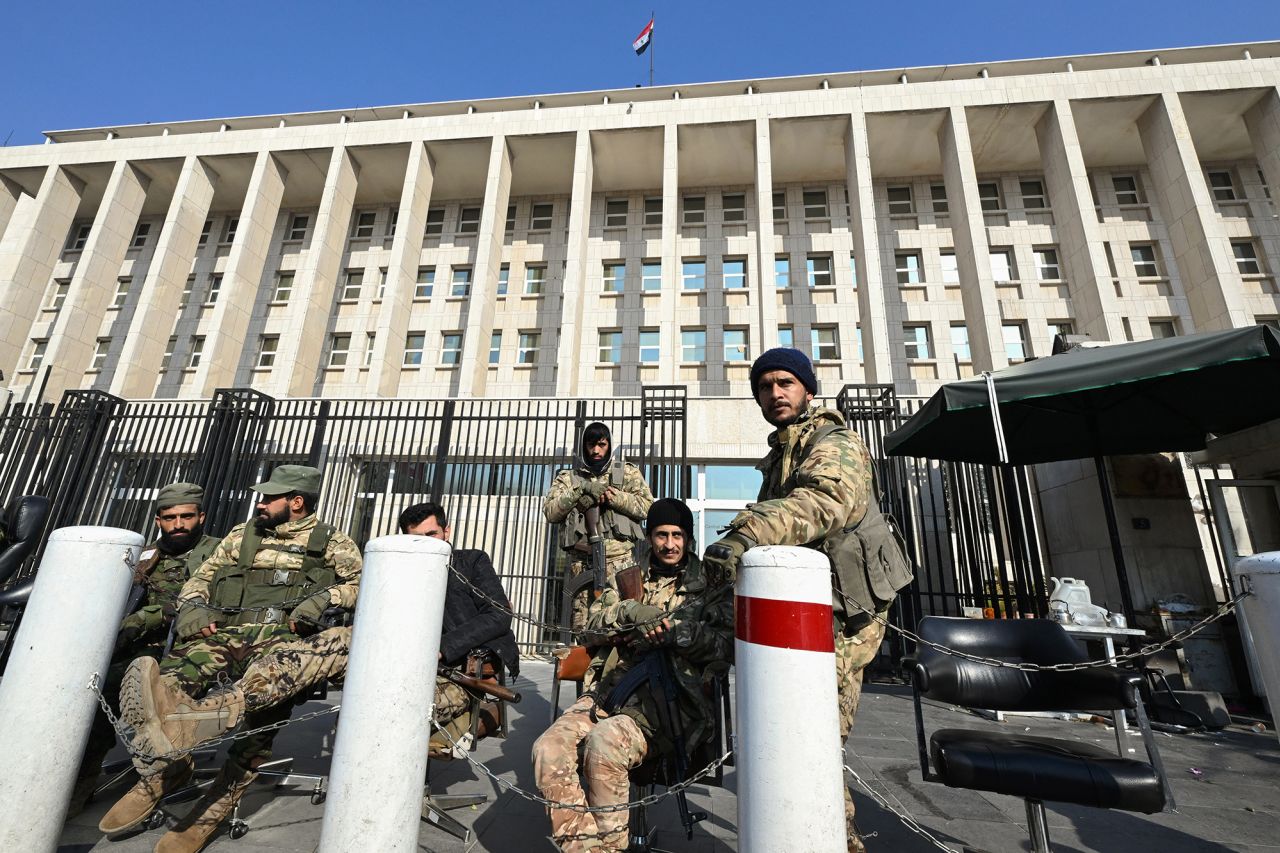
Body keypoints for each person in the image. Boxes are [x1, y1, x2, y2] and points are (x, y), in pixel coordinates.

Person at [114, 502, 519, 777]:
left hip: (449, 673)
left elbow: (498, 615)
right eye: (415, 539)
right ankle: (201, 719)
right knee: (308, 649)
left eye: (432, 536)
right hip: (388, 658)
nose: (425, 545)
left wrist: (440, 648)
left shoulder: (469, 562)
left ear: (446, 531)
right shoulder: (401, 567)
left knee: (380, 709)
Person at [702, 347, 910, 853]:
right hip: (811, 606)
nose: (774, 392)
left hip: (848, 613)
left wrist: (745, 532)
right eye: (765, 385)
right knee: (803, 735)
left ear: (807, 389)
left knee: (814, 737)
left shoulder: (832, 440)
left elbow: (825, 501)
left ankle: (835, 840)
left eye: (785, 383)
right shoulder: (784, 451)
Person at [100, 465, 362, 853]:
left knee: (264, 707)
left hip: (283, 639)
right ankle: (164, 770)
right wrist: (192, 607)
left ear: (296, 502)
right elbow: (201, 579)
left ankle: (220, 798)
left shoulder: (333, 543)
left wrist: (327, 598)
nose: (261, 502)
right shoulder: (242, 536)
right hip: (226, 633)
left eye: (269, 497)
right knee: (166, 685)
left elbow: (359, 585)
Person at [532, 498, 733, 853]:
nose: (669, 544)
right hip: (610, 692)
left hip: (672, 704)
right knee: (548, 749)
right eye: (661, 535)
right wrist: (629, 611)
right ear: (649, 537)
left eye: (677, 535)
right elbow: (590, 626)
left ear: (688, 538)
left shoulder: (711, 584)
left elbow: (726, 647)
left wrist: (679, 634)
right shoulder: (629, 576)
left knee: (604, 743)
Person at [70, 483, 221, 815]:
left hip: (190, 648)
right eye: (170, 518)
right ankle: (77, 785)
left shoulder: (218, 554)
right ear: (158, 519)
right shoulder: (145, 555)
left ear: (201, 516)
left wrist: (143, 619)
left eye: (186, 516)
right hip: (138, 647)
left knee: (153, 699)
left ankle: (164, 777)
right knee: (94, 697)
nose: (178, 524)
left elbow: (201, 604)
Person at [543, 421, 653, 634]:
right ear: (584, 447)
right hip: (583, 565)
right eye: (591, 445)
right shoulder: (569, 478)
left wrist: (613, 496)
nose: (596, 450)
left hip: (620, 564)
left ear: (609, 445)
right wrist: (580, 490)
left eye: (601, 444)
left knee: (624, 627)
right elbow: (551, 511)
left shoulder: (627, 473)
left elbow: (647, 507)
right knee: (583, 631)